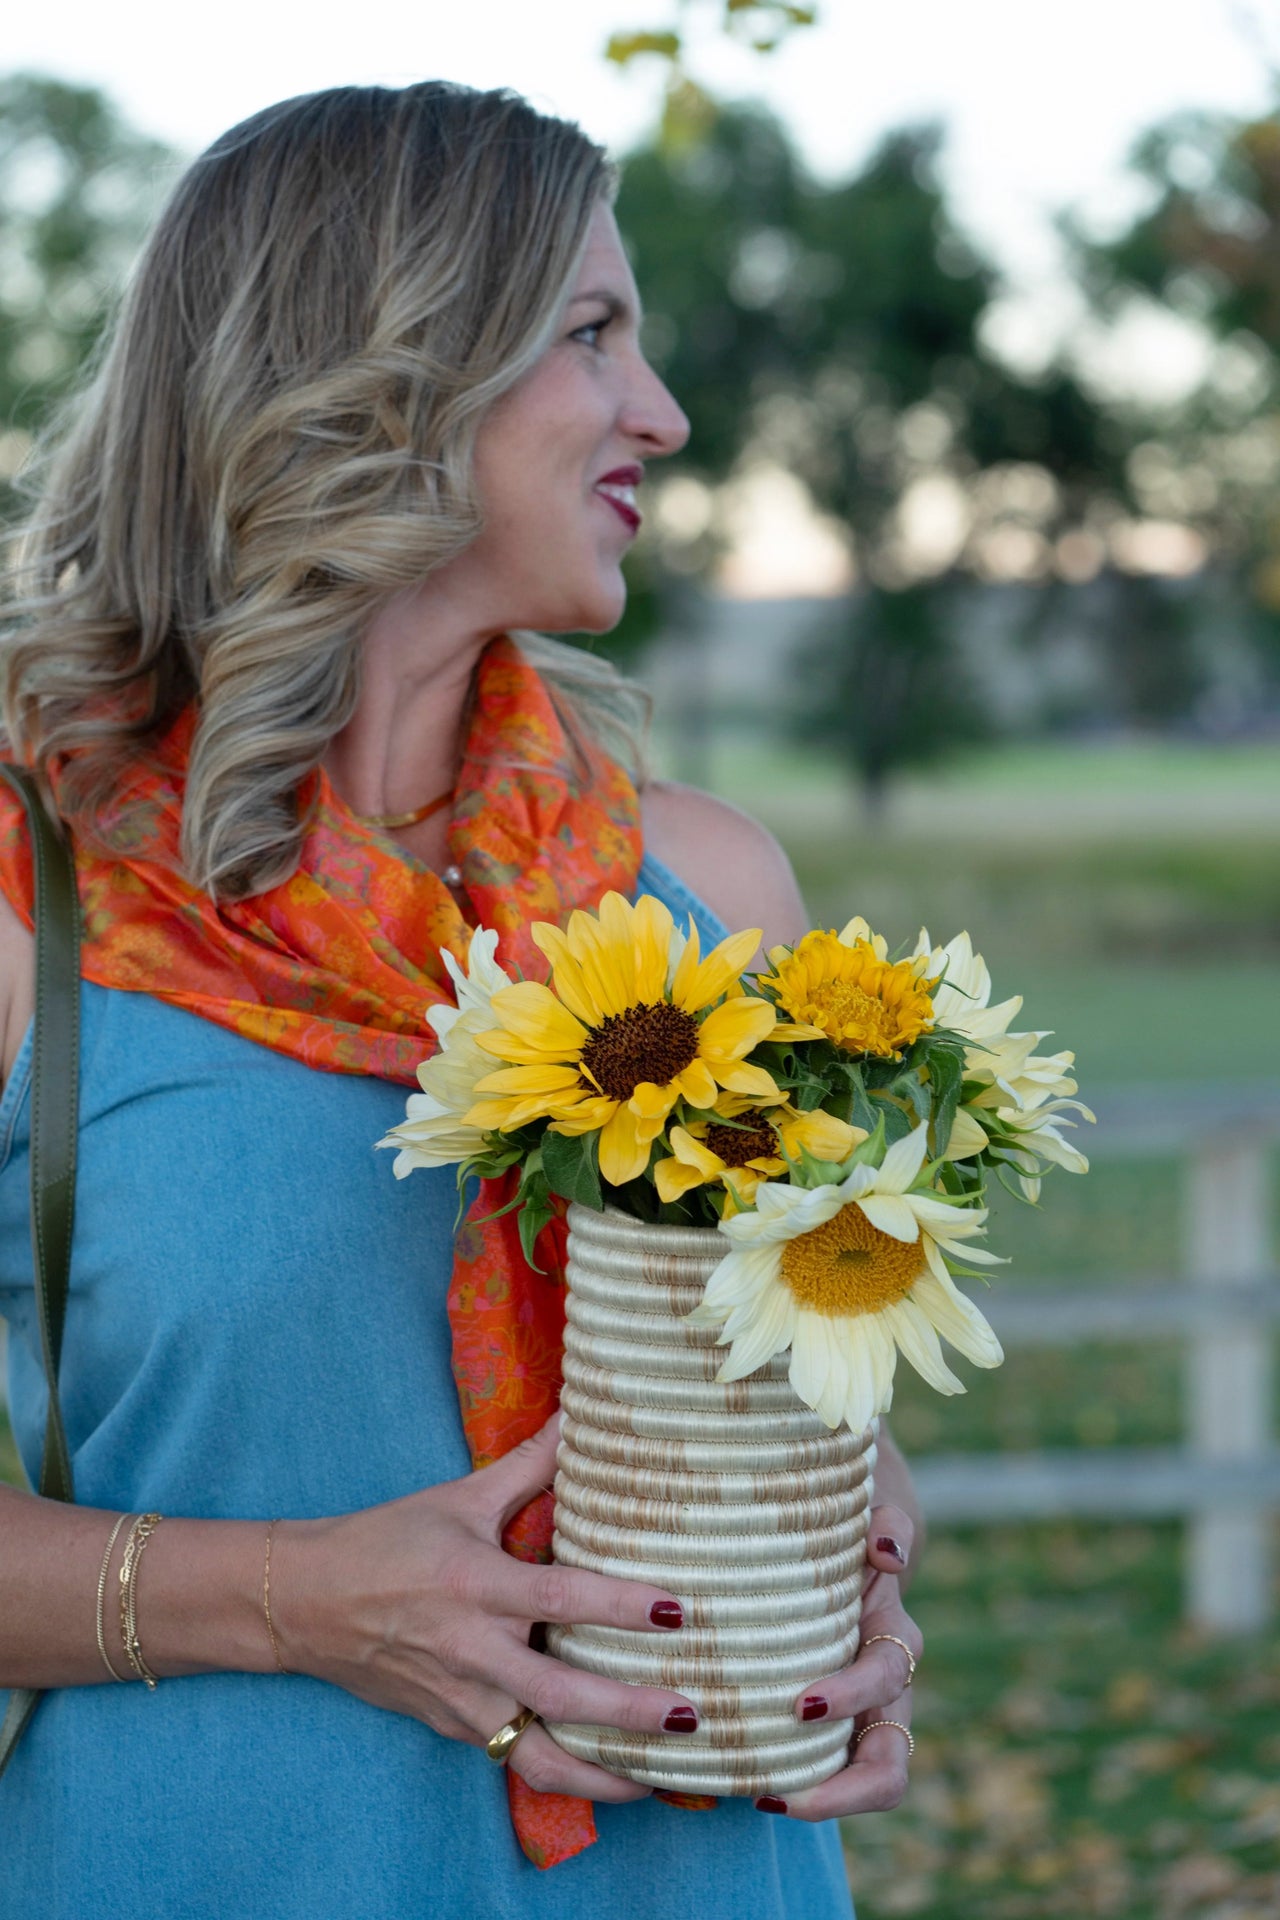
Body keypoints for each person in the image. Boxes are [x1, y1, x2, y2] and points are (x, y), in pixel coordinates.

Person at [0, 81, 923, 1920]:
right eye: (592, 333)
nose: (660, 413)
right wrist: (309, 1599)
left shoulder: (712, 898)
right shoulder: (34, 910)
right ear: (381, 370)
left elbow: (803, 1428)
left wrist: (859, 1570)